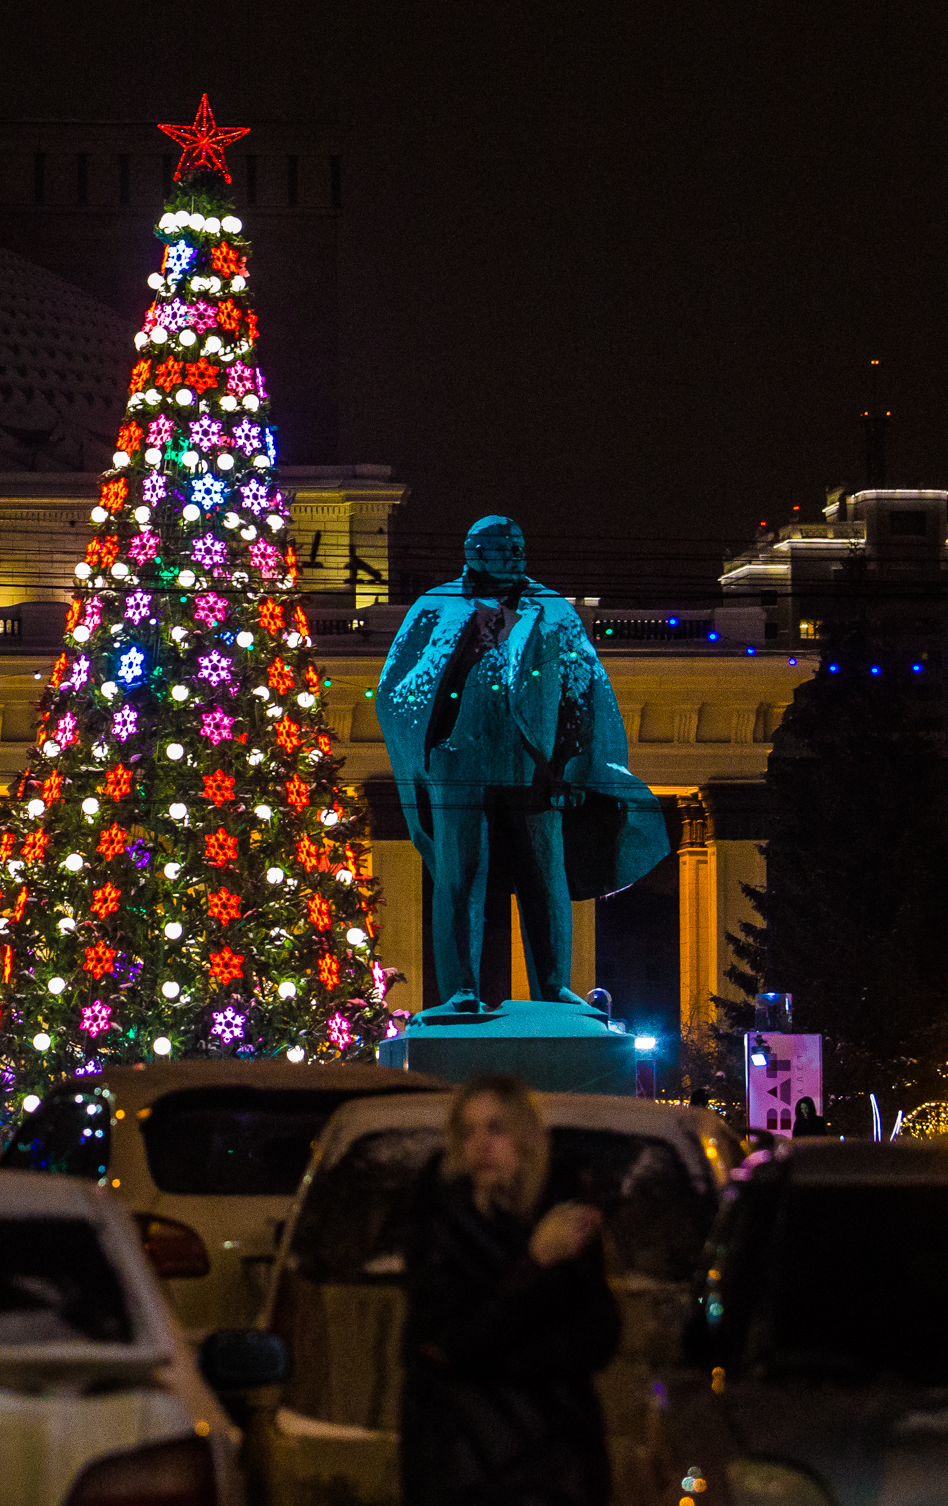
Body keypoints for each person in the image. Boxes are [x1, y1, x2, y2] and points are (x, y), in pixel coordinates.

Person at [378, 516, 669, 1011]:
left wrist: (573, 766)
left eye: (519, 545)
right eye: (502, 547)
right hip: (458, 760)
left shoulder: (553, 609)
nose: (515, 554)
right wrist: (470, 644)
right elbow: (396, 690)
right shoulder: (436, 607)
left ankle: (554, 986)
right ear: (473, 551)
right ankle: (461, 992)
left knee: (545, 875)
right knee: (460, 874)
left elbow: (581, 691)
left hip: (533, 764)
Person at [403, 1073, 621, 1506]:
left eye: (496, 1128)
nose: (481, 1144)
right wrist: (536, 1263)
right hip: (469, 1469)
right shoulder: (442, 1226)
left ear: (525, 1138)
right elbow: (456, 1340)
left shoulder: (563, 1218)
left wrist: (503, 1352)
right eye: (468, 1131)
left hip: (560, 1469)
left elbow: (598, 1337)